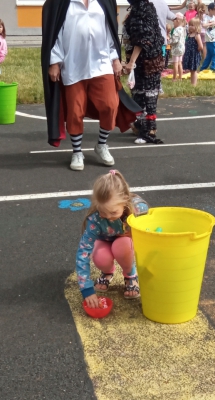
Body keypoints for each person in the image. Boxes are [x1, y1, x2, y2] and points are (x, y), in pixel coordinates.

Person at [41, 0, 141, 172]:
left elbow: (110, 30)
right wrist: (55, 62)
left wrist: (115, 59)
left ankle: (102, 145)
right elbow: (55, 33)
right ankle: (77, 152)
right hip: (73, 66)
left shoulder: (104, 2)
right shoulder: (62, 3)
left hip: (101, 64)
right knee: (75, 111)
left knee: (110, 105)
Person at [76, 170, 149, 308]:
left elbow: (150, 232)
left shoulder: (138, 210)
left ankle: (130, 275)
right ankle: (108, 272)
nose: (108, 216)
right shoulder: (95, 219)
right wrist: (86, 289)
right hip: (104, 242)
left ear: (125, 200)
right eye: (103, 212)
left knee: (123, 245)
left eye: (113, 212)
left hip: (124, 243)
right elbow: (83, 252)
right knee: (100, 256)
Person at [123, 0, 165, 145]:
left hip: (148, 61)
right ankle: (141, 125)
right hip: (144, 62)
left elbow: (143, 39)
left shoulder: (143, 9)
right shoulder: (140, 8)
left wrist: (131, 61)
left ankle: (148, 130)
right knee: (139, 94)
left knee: (148, 95)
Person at [200, 2, 215, 72]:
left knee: (210, 55)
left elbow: (213, 25)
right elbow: (204, 25)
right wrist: (212, 23)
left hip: (212, 37)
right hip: (210, 38)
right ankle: (212, 68)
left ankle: (203, 68)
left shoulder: (213, 17)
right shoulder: (206, 16)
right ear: (210, 9)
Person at [183, 18, 203, 85]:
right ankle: (192, 83)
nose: (190, 26)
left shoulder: (197, 35)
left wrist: (196, 51)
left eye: (192, 25)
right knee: (191, 70)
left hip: (194, 55)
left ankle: (194, 84)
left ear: (197, 26)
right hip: (189, 54)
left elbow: (201, 46)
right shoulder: (189, 35)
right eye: (190, 25)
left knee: (194, 70)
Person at [170, 13, 186, 81]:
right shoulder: (183, 29)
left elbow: (174, 40)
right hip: (182, 48)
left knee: (175, 64)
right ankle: (180, 77)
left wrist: (169, 42)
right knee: (180, 63)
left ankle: (174, 79)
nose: (173, 23)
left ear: (178, 20)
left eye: (173, 21)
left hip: (176, 48)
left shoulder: (176, 30)